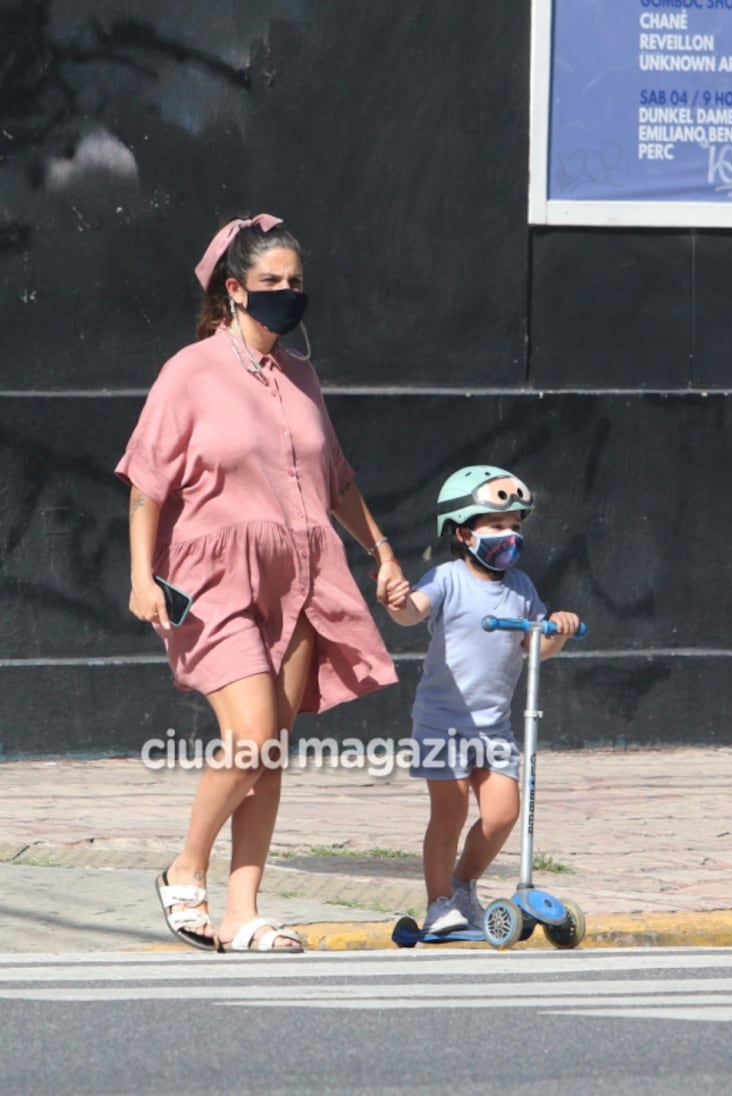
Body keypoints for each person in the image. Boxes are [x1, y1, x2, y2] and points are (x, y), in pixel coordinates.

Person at [115, 213, 405, 953]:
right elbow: (147, 482)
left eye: (295, 283)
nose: (286, 293)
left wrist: (380, 552)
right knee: (247, 737)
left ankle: (243, 911)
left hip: (300, 576)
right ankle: (186, 868)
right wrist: (141, 576)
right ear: (235, 291)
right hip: (212, 577)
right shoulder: (190, 370)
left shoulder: (301, 376)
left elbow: (334, 479)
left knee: (272, 747)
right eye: (271, 282)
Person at [382, 465, 580, 934]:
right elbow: (413, 612)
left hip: (493, 726)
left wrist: (559, 631)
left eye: (514, 527)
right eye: (496, 526)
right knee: (448, 813)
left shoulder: (521, 588)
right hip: (441, 722)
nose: (508, 536)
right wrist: (396, 603)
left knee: (503, 813)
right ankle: (438, 905)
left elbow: (535, 646)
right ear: (463, 532)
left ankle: (463, 885)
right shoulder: (447, 578)